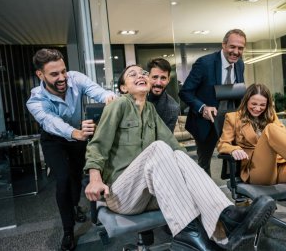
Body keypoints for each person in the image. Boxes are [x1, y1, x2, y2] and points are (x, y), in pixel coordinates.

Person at [84, 65, 276, 251]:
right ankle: (190, 236)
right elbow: (97, 145)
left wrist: (192, 177)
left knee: (177, 153)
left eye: (143, 73)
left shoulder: (150, 110)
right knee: (159, 148)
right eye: (132, 75)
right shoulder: (118, 105)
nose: (140, 76)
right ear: (124, 88)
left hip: (147, 195)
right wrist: (94, 179)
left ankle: (227, 220)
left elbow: (176, 148)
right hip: (121, 195)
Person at [26, 48, 116, 251]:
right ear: (40, 75)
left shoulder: (75, 78)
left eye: (63, 71)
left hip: (78, 137)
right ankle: (68, 231)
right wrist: (76, 133)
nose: (62, 78)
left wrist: (110, 98)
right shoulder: (35, 99)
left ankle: (75, 206)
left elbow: (97, 91)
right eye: (54, 74)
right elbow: (51, 122)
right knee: (63, 179)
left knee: (76, 177)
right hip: (54, 140)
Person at [179, 29, 246, 176]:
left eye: (240, 48)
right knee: (204, 163)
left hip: (230, 118)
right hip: (206, 120)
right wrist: (202, 107)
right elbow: (185, 92)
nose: (236, 51)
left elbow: (238, 91)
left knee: (235, 156)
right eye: (232, 47)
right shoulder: (205, 63)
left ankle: (236, 190)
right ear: (223, 45)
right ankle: (204, 194)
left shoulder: (240, 65)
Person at [147, 58, 180, 132]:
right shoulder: (135, 97)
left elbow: (164, 140)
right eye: (155, 77)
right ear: (147, 77)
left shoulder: (172, 108)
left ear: (168, 80)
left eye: (163, 78)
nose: (158, 83)